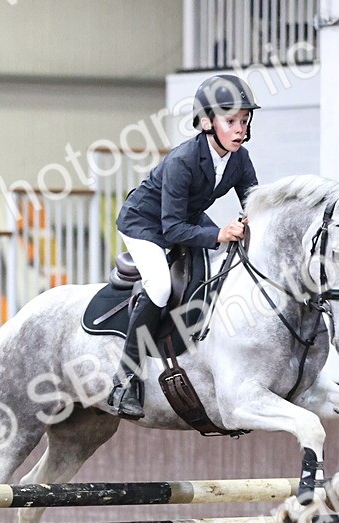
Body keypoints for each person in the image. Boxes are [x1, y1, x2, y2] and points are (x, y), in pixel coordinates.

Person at [105, 74, 260, 420]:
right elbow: (172, 227)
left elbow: (254, 201)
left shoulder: (240, 159)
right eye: (231, 121)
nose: (240, 129)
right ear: (206, 122)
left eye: (244, 120)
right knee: (159, 286)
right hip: (145, 223)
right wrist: (219, 233)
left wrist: (252, 222)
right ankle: (124, 378)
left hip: (185, 218)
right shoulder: (183, 161)